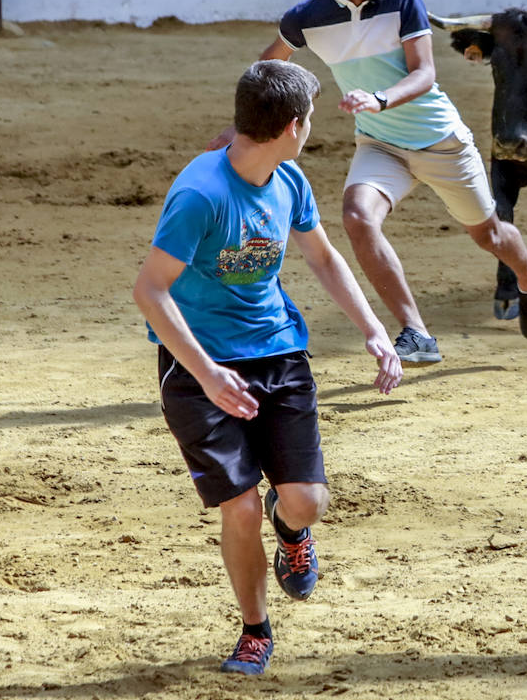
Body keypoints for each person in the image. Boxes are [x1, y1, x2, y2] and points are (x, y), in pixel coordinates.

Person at [133, 59, 402, 677]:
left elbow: (324, 257)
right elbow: (150, 291)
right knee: (240, 507)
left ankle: (294, 532)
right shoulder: (201, 194)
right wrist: (206, 373)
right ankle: (255, 630)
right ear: (290, 125)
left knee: (305, 502)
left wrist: (373, 330)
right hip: (198, 366)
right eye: (308, 120)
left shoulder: (288, 179)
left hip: (277, 351)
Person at [211, 0, 527, 364]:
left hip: (438, 139)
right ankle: (416, 332)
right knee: (357, 217)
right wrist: (240, 127)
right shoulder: (305, 19)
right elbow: (266, 73)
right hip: (380, 145)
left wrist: (378, 98)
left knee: (488, 235)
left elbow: (425, 75)